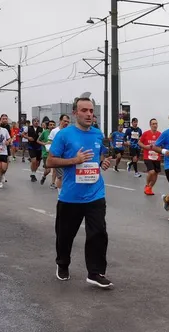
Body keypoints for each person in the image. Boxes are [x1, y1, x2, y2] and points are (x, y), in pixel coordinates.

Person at [47, 97, 113, 288]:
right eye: (84, 110)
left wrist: (103, 162)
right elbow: (50, 162)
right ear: (75, 113)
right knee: (65, 235)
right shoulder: (64, 135)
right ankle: (63, 264)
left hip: (95, 194)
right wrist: (73, 160)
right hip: (70, 196)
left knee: (98, 233)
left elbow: (99, 155)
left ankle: (95, 272)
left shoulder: (97, 134)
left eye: (91, 111)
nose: (89, 114)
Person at [140, 118, 162, 196]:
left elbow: (163, 144)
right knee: (151, 172)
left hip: (156, 157)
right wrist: (145, 147)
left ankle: (149, 187)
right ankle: (147, 185)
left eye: (156, 124)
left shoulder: (160, 134)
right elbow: (139, 142)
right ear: (150, 125)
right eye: (153, 124)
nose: (155, 125)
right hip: (147, 156)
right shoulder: (145, 133)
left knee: (156, 174)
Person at [48, 114, 70, 191]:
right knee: (61, 176)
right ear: (60, 121)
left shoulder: (69, 131)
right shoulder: (54, 131)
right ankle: (60, 194)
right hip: (58, 156)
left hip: (68, 157)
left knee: (67, 176)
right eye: (64, 121)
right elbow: (49, 142)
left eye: (68, 121)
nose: (66, 123)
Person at [38, 120, 55, 185]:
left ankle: (53, 183)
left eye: (53, 125)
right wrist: (44, 144)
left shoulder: (57, 132)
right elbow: (38, 141)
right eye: (50, 125)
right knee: (48, 170)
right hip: (46, 153)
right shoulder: (45, 132)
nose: (52, 126)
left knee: (55, 170)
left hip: (55, 153)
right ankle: (44, 176)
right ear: (48, 126)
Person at [27, 118, 43, 182]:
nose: (36, 122)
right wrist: (28, 138)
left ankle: (33, 172)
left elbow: (43, 137)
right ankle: (33, 175)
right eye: (35, 121)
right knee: (33, 161)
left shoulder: (41, 129)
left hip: (39, 147)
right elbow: (21, 134)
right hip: (31, 146)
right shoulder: (28, 128)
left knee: (37, 163)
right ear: (32, 122)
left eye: (37, 121)